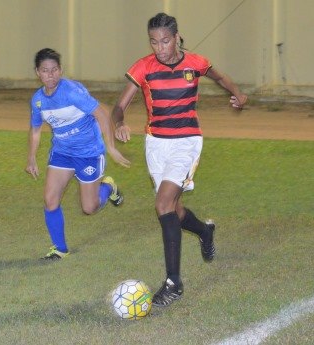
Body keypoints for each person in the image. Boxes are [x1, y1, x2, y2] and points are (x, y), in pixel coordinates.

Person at [111, 13, 247, 307]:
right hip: (156, 144)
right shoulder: (143, 67)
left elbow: (219, 77)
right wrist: (120, 122)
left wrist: (237, 94)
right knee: (174, 208)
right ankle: (204, 231)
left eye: (164, 41)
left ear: (176, 37)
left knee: (162, 205)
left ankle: (173, 283)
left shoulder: (195, 63)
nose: (159, 48)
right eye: (153, 42)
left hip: (186, 142)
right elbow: (119, 106)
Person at [26, 48, 130, 260]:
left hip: (89, 153)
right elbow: (36, 130)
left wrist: (110, 147)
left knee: (89, 208)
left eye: (54, 70)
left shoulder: (71, 92)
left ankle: (108, 186)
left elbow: (101, 113)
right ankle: (60, 248)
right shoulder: (38, 100)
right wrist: (31, 157)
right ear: (38, 72)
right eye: (45, 70)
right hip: (62, 152)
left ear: (61, 70)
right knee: (50, 200)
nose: (50, 75)